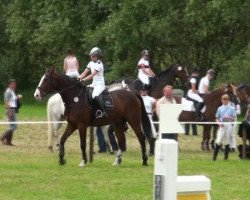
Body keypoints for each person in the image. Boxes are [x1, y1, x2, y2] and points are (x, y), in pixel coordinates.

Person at [79, 47, 106, 118]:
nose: (92, 57)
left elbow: (91, 75)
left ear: (97, 56)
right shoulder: (90, 63)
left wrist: (83, 80)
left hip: (100, 85)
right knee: (85, 92)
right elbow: (85, 72)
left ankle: (102, 111)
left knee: (94, 96)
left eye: (93, 56)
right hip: (94, 84)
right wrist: (78, 78)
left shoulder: (99, 64)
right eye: (91, 56)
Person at [213, 94, 236, 161]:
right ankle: (214, 157)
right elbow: (216, 118)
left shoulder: (232, 108)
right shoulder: (220, 108)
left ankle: (226, 157)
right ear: (222, 100)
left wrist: (229, 117)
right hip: (222, 125)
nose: (225, 101)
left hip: (228, 125)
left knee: (227, 141)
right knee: (218, 140)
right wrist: (219, 123)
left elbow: (234, 119)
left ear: (228, 100)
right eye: (224, 99)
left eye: (226, 99)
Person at [0, 79, 22, 146]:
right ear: (9, 84)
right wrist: (9, 111)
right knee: (14, 127)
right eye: (12, 84)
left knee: (11, 126)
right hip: (10, 110)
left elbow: (13, 100)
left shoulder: (12, 91)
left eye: (14, 84)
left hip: (13, 110)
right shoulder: (8, 92)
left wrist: (18, 97)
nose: (14, 85)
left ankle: (8, 142)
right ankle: (2, 138)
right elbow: (6, 102)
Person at [140, 87, 157, 155]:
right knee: (142, 135)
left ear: (146, 91)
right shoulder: (138, 98)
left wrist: (152, 111)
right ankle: (143, 151)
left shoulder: (150, 98)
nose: (143, 91)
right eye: (142, 90)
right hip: (141, 117)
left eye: (144, 90)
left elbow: (157, 104)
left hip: (148, 116)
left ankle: (152, 151)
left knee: (153, 134)